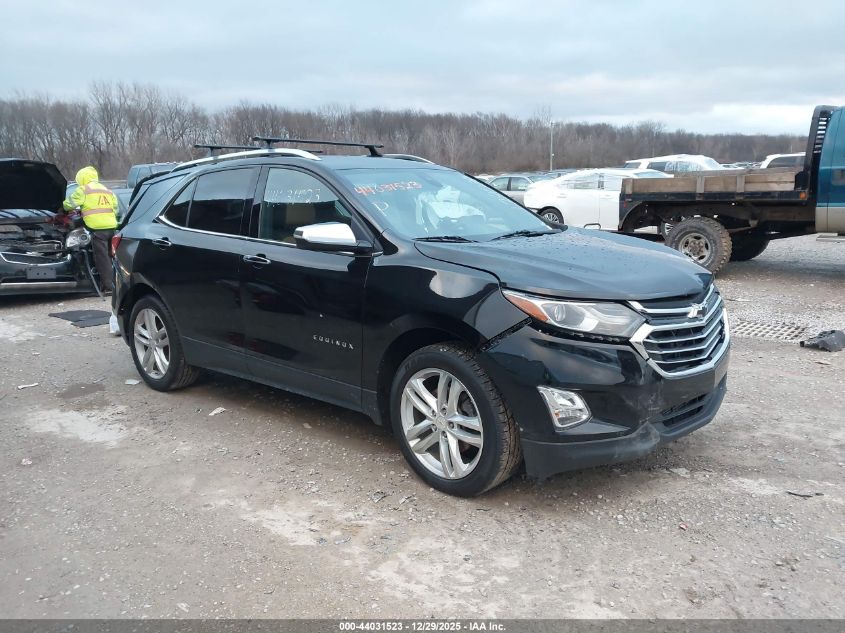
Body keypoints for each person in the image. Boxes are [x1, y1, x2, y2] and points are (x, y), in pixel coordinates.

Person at [63, 166, 119, 293]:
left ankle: (109, 287)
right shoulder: (106, 190)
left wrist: (67, 208)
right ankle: (119, 284)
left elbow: (68, 204)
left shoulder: (83, 189)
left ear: (82, 178)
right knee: (113, 257)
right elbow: (116, 209)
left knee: (102, 259)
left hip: (97, 229)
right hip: (111, 227)